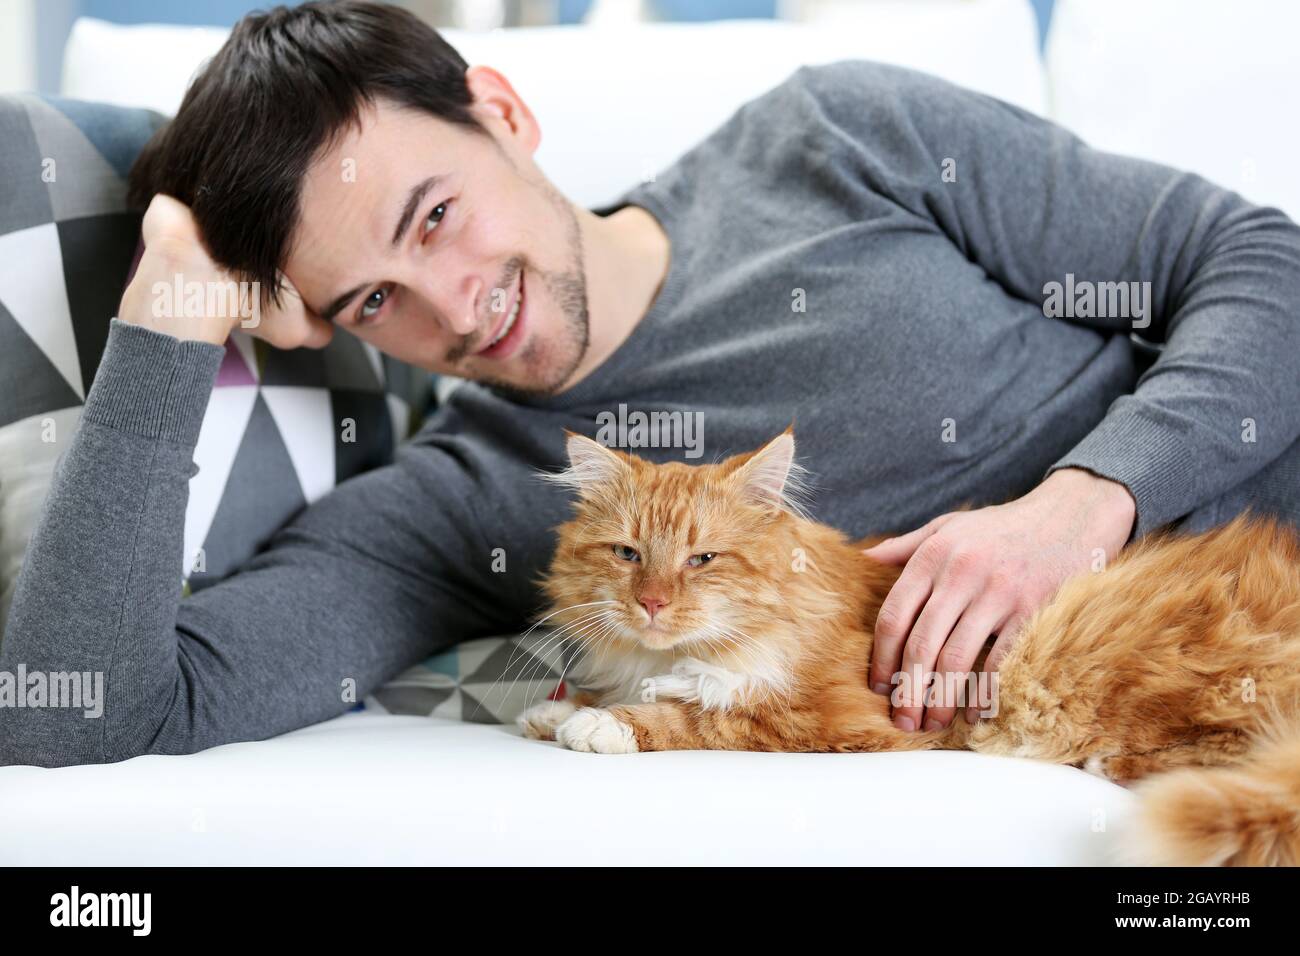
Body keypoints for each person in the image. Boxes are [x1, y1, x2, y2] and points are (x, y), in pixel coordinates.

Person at [3, 1, 1298, 767]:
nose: (458, 307)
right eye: (370, 302)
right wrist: (172, 310)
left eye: (438, 214)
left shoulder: (837, 135)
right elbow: (83, 716)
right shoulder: (473, 502)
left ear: (501, 109)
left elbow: (1263, 262)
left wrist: (1086, 502)